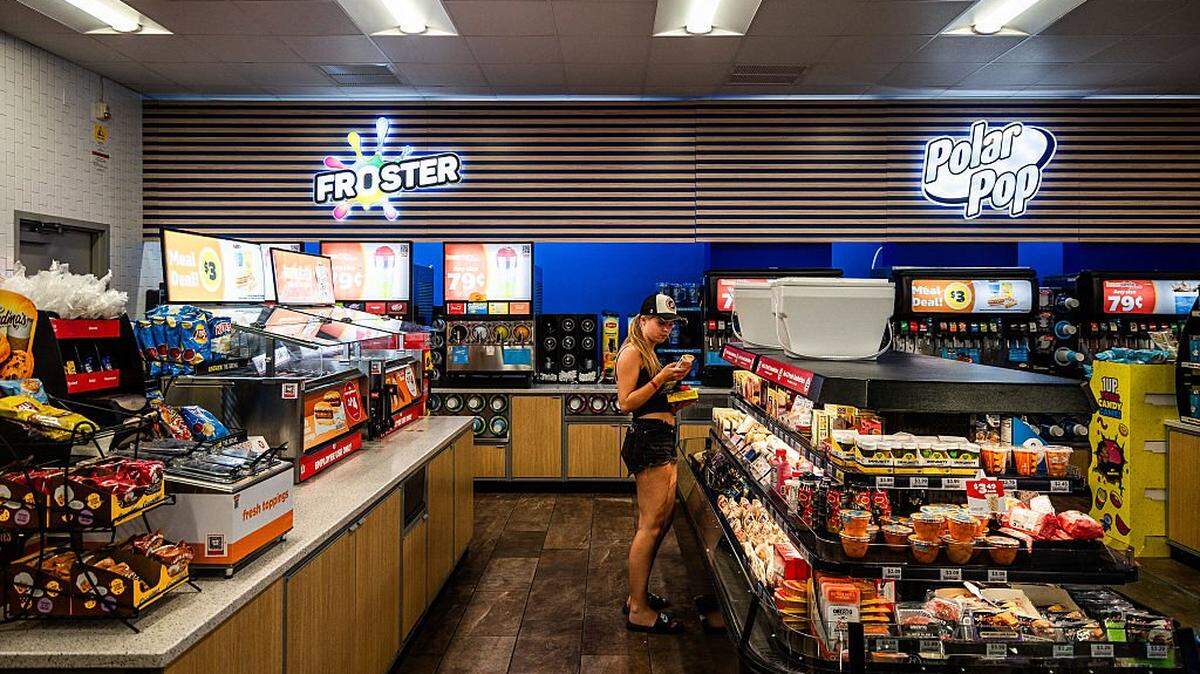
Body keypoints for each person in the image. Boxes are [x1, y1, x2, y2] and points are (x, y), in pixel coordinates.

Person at [616, 292, 695, 633]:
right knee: (650, 526)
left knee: (662, 520)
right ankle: (638, 610)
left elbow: (655, 403)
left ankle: (639, 595)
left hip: (659, 437)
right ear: (643, 320)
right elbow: (626, 402)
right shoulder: (633, 351)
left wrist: (678, 393)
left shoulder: (650, 352)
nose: (667, 329)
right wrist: (661, 379)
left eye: (671, 324)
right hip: (649, 443)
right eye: (661, 322)